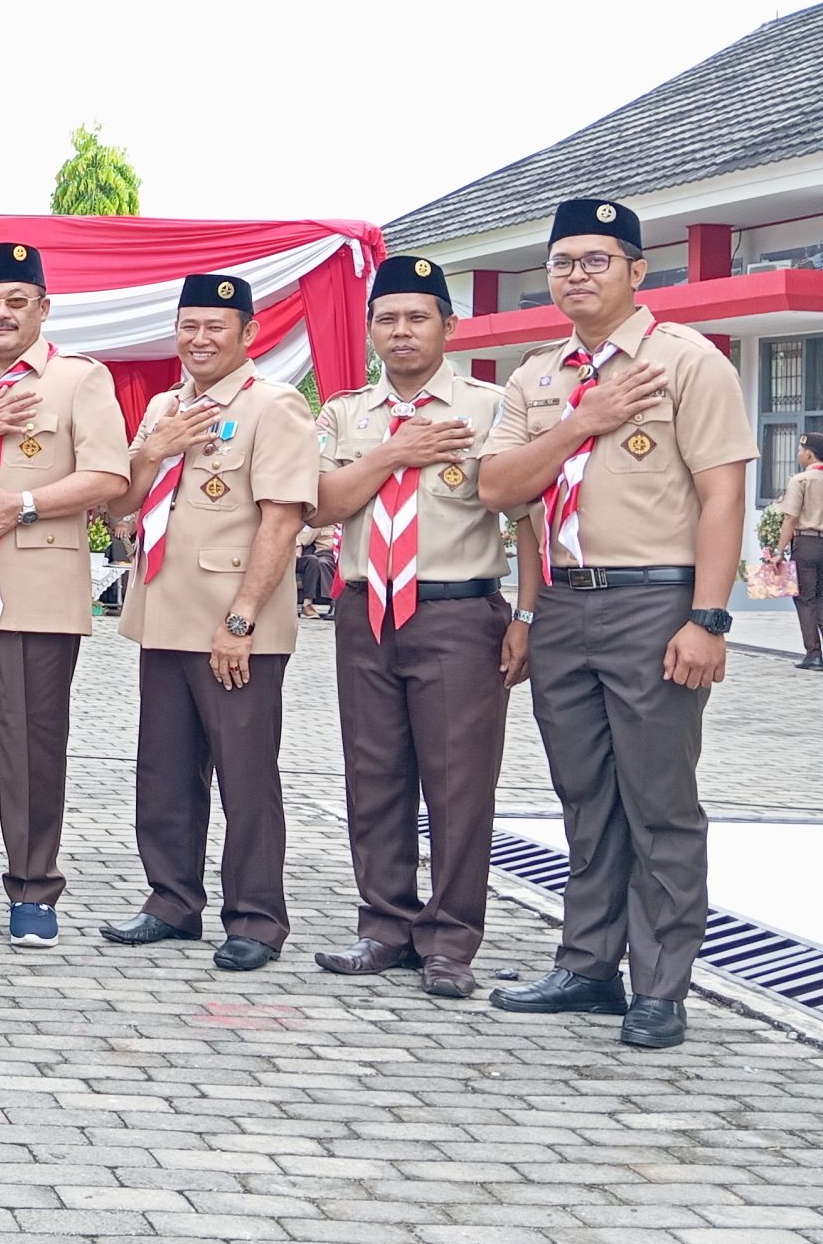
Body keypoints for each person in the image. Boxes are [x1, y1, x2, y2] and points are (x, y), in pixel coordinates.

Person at [477, 198, 756, 1049]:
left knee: (659, 799)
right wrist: (585, 420)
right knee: (585, 795)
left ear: (639, 270)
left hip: (653, 602)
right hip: (564, 602)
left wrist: (708, 617)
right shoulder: (537, 377)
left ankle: (662, 986)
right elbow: (501, 490)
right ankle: (588, 964)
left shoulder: (689, 362)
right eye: (564, 262)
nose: (577, 275)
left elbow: (723, 493)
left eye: (598, 260)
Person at [311, 256, 534, 1000]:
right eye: (387, 319)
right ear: (371, 329)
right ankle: (383, 926)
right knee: (372, 775)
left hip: (458, 614)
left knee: (458, 783)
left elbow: (527, 519)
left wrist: (526, 616)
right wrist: (392, 453)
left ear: (449, 325)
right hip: (365, 609)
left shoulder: (491, 408)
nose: (401, 332)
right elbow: (321, 505)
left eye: (417, 317)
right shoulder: (345, 413)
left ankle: (450, 940)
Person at [0, 240, 129, 950]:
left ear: (43, 307)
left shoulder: (78, 380)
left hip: (37, 579)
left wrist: (27, 504)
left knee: (33, 738)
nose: (0, 314)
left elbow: (109, 477)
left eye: (15, 302)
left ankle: (33, 890)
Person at [103, 273, 317, 971]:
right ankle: (171, 901)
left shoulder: (274, 406)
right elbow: (123, 502)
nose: (198, 339)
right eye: (188, 326)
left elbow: (283, 519)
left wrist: (244, 618)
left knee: (246, 774)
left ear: (248, 334)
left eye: (214, 327)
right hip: (163, 610)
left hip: (232, 624)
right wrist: (152, 447)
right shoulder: (167, 405)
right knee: (163, 771)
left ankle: (256, 916)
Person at [784, 432, 823, 669]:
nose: (799, 454)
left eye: (800, 450)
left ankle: (813, 653)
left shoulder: (801, 480)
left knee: (805, 599)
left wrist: (778, 551)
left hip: (806, 544)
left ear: (808, 454)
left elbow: (790, 518)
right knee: (821, 597)